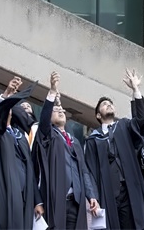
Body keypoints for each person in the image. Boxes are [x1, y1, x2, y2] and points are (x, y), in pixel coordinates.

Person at [84, 68, 144, 229]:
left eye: (110, 103)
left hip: (129, 190)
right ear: (98, 115)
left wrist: (135, 90)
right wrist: (92, 196)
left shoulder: (124, 126)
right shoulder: (93, 139)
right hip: (107, 192)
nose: (109, 105)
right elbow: (89, 171)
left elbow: (140, 118)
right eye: (104, 104)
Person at [32, 71, 99, 229]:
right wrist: (53, 92)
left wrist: (91, 195)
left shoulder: (74, 141)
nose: (61, 111)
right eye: (56, 110)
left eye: (62, 110)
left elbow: (84, 171)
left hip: (75, 202)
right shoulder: (48, 136)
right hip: (56, 198)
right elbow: (43, 123)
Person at [0, 77, 44, 229]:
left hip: (24, 195)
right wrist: (6, 94)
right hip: (5, 191)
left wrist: (37, 201)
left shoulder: (20, 136)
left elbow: (29, 167)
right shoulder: (0, 133)